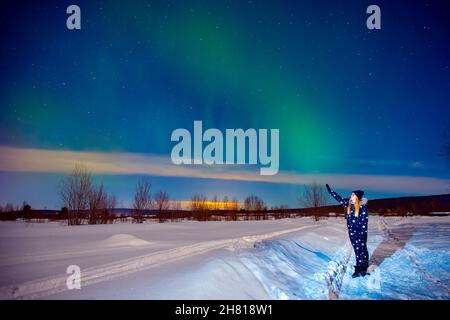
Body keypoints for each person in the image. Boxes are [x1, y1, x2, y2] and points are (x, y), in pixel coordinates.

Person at [326, 184, 370, 278]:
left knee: (362, 250)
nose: (351, 196)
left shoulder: (362, 208)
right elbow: (340, 199)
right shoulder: (349, 204)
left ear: (357, 197)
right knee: (357, 251)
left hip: (360, 233)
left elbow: (364, 223)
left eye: (353, 195)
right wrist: (331, 192)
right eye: (351, 194)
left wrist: (362, 235)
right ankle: (361, 268)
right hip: (352, 234)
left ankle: (361, 269)